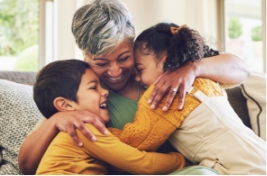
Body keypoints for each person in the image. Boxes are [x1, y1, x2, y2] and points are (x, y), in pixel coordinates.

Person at [18, 0, 250, 174]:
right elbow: (27, 166)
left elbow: (241, 70)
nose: (115, 71)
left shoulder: (160, 65)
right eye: (101, 63)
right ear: (85, 57)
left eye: (124, 58)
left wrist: (192, 69)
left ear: (133, 43)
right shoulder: (81, 96)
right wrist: (54, 121)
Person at [107, 22, 266, 175]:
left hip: (235, 167)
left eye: (140, 69)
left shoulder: (163, 94)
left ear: (165, 62)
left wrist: (97, 131)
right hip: (259, 152)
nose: (137, 78)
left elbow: (136, 141)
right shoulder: (206, 80)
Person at [34, 59, 185, 175]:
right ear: (65, 105)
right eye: (94, 87)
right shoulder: (83, 129)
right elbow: (143, 164)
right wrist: (182, 160)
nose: (105, 92)